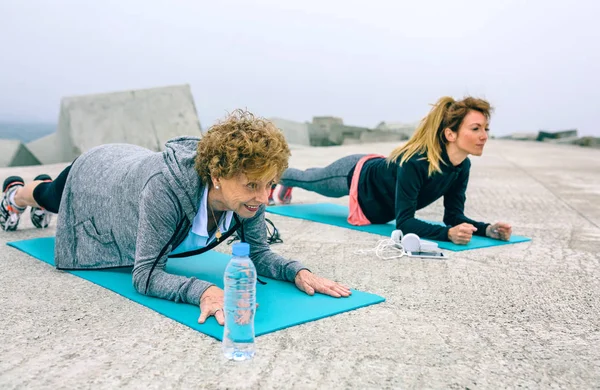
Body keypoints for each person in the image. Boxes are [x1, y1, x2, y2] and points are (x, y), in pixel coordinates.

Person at [1, 109, 351, 325]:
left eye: (269, 184)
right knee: (50, 197)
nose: (263, 198)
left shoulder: (248, 200)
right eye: (252, 185)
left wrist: (297, 272)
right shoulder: (165, 190)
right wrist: (202, 291)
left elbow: (259, 254)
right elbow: (145, 275)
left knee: (50, 198)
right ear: (217, 175)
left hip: (131, 171)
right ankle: (15, 192)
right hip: (99, 177)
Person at [270, 96, 512, 245]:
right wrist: (448, 235)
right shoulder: (416, 162)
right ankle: (277, 178)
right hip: (355, 174)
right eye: (476, 129)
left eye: (486, 129)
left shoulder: (461, 166)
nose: (483, 136)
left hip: (376, 186)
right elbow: (405, 223)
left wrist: (487, 230)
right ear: (450, 134)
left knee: (315, 176)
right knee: (310, 179)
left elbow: (453, 217)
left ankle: (293, 180)